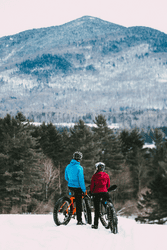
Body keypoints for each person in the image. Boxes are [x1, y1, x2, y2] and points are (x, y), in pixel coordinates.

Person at [65, 151, 86, 225]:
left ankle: (69, 210)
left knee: (72, 199)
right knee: (79, 203)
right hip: (77, 187)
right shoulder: (79, 168)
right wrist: (84, 190)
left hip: (70, 186)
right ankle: (79, 220)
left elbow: (66, 177)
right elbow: (81, 180)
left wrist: (71, 181)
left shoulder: (68, 166)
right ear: (80, 158)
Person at [90, 162, 112, 229]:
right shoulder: (106, 175)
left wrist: (91, 192)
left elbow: (92, 186)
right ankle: (111, 217)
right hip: (105, 193)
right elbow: (108, 185)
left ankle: (96, 225)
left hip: (96, 194)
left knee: (97, 209)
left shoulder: (94, 176)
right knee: (109, 204)